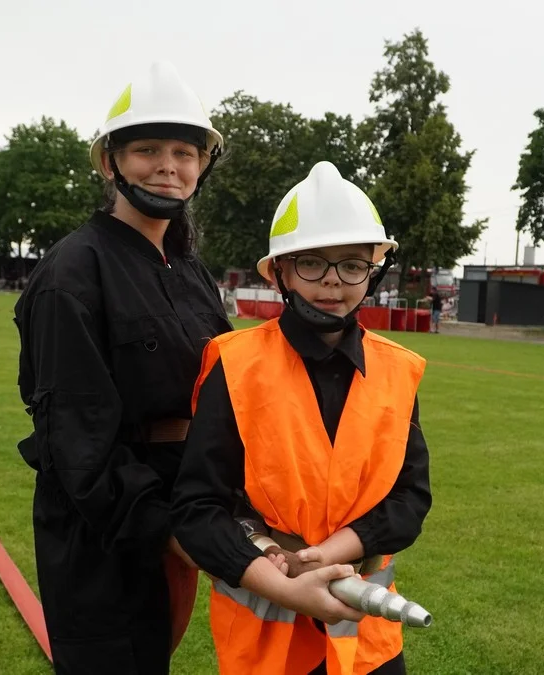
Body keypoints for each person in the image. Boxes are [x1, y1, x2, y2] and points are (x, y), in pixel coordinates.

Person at [13, 61, 232, 674]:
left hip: (181, 498)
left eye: (185, 152)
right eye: (147, 149)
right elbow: (78, 442)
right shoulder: (71, 273)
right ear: (109, 162)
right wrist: (170, 532)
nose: (169, 166)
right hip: (106, 525)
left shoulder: (189, 268)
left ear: (202, 164)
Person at [171, 161, 432, 675]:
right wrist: (289, 582)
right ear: (282, 271)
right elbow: (198, 509)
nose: (333, 283)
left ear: (372, 272)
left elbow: (410, 497)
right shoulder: (235, 365)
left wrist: (332, 551)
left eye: (353, 265)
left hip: (369, 640)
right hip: (267, 647)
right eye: (313, 263)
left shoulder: (398, 370)